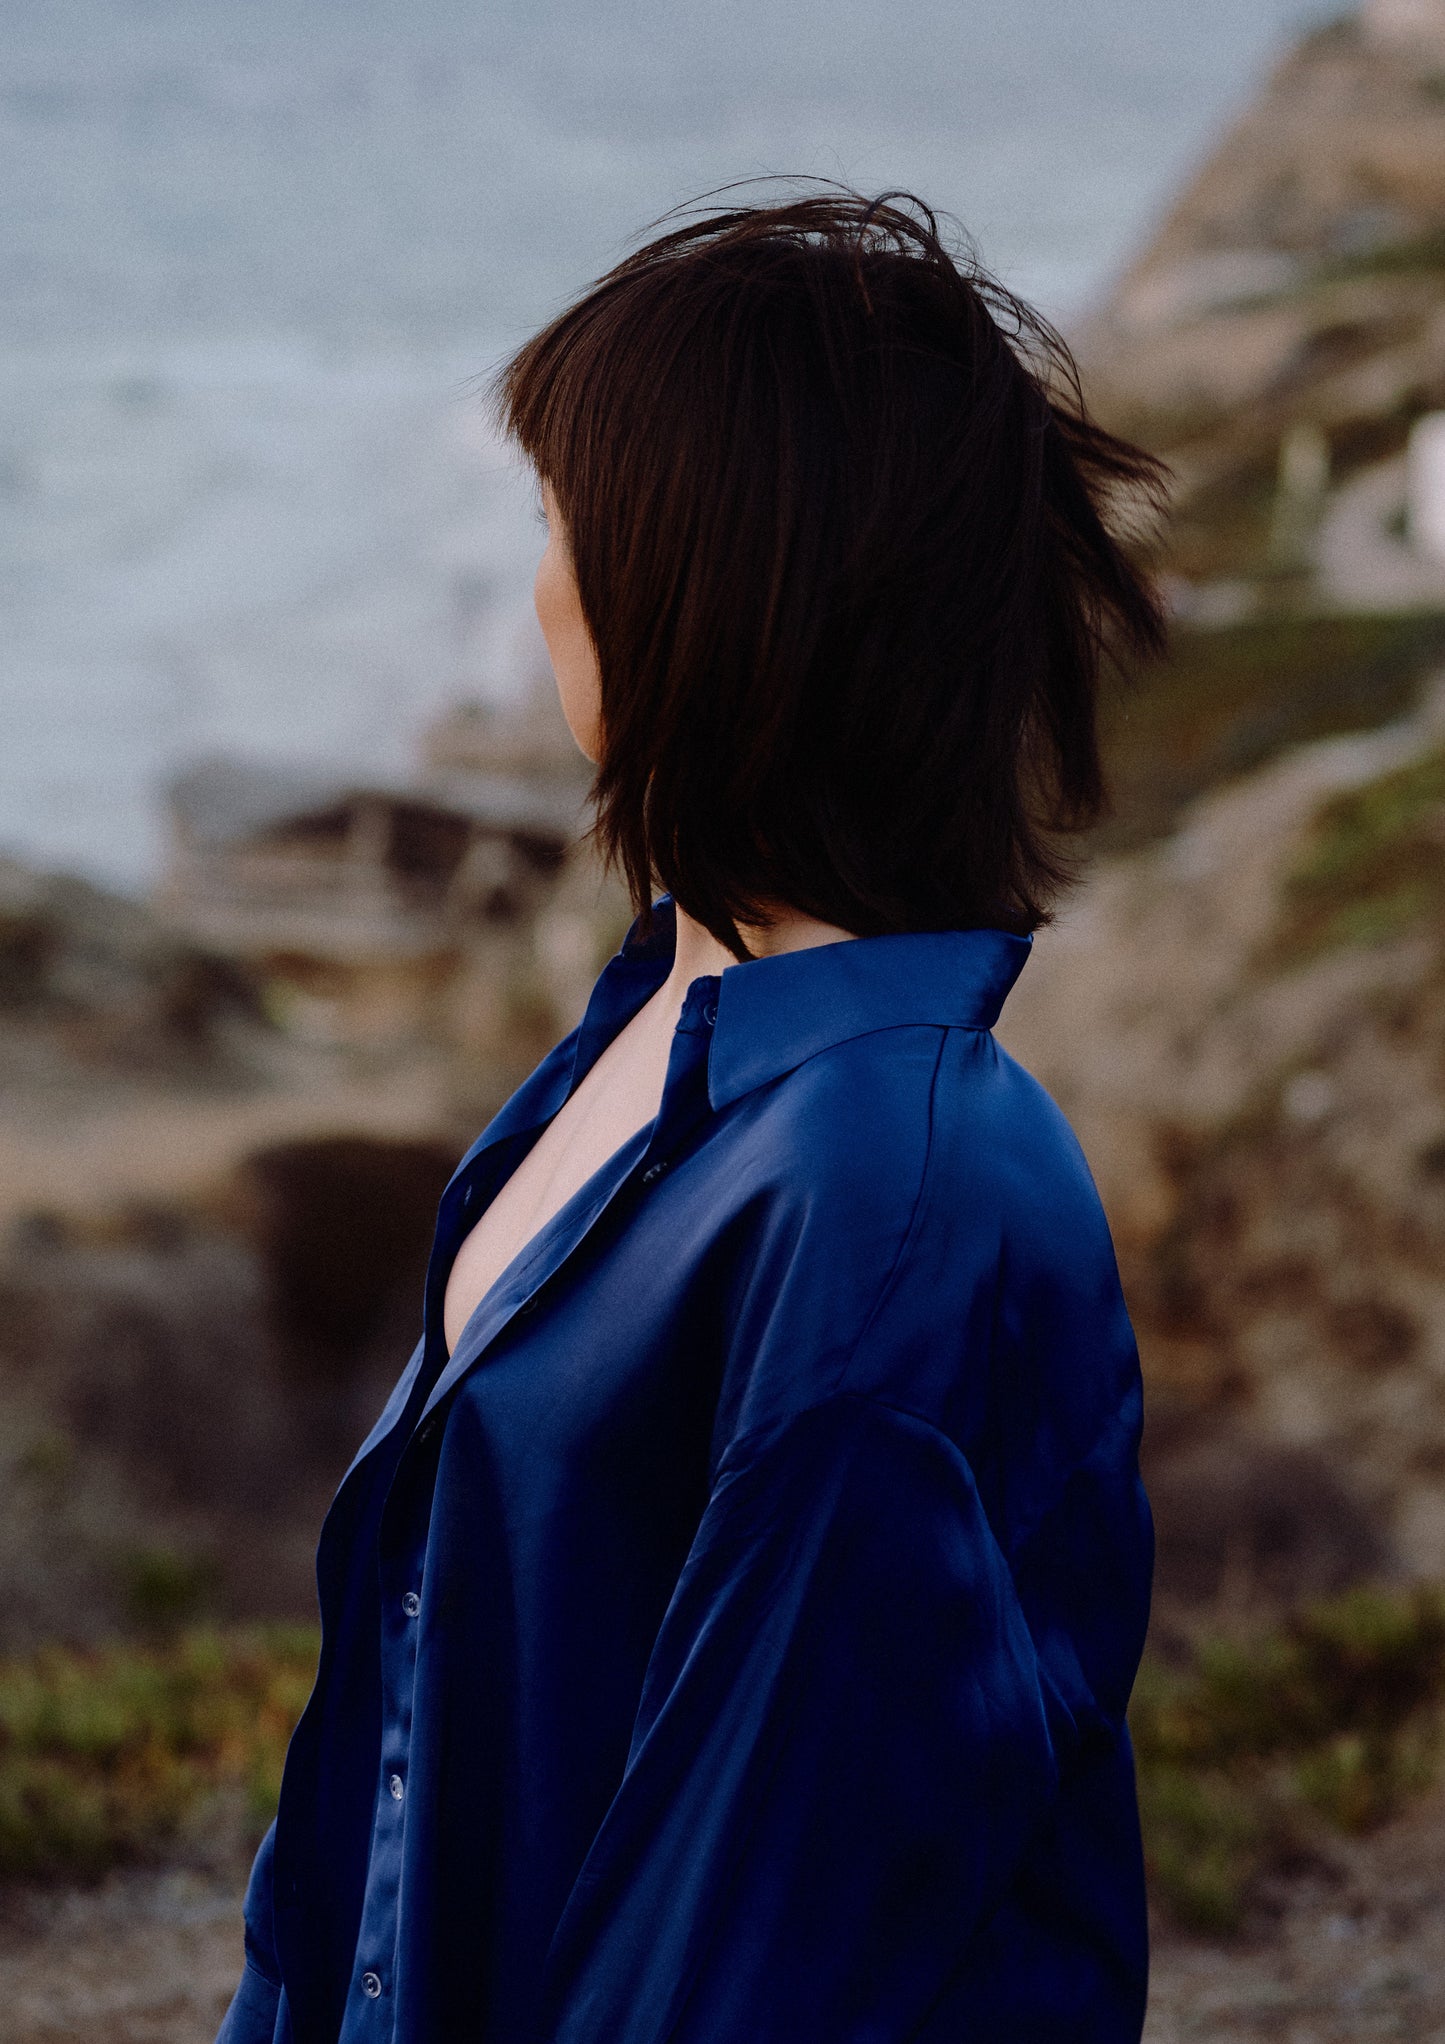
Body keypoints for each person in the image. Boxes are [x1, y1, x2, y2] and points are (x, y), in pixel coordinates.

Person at [215, 187, 1168, 2044]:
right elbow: (404, 1745)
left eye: (563, 521)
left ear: (705, 577)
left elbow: (760, 1931)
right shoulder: (661, 1016)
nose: (541, 585)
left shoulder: (888, 1191)